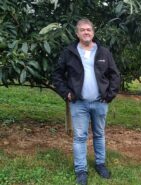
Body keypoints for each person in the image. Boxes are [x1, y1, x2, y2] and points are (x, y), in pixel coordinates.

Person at [52, 18, 121, 185]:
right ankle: (81, 170)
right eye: (82, 30)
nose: (86, 32)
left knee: (99, 134)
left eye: (89, 29)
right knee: (80, 137)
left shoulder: (104, 52)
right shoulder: (69, 52)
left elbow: (115, 75)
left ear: (93, 32)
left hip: (100, 102)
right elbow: (57, 75)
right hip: (79, 103)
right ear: (77, 33)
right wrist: (66, 93)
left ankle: (100, 164)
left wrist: (109, 95)